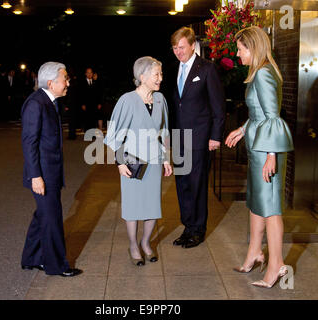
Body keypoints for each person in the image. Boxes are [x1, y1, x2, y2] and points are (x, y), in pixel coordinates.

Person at [225, 26, 294, 288]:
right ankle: (255, 253)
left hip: (267, 151)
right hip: (259, 149)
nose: (238, 53)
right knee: (256, 203)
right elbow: (260, 114)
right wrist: (242, 130)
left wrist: (272, 156)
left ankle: (276, 264)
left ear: (253, 47)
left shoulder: (264, 73)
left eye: (241, 48)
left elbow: (273, 119)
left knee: (271, 210)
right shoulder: (259, 72)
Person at [104, 56, 172, 266]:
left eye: (161, 73)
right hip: (132, 163)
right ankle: (133, 245)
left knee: (152, 206)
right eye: (156, 74)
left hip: (153, 162)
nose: (160, 78)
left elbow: (165, 131)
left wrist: (167, 158)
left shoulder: (160, 99)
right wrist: (120, 163)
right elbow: (114, 135)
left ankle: (145, 243)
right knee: (133, 207)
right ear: (142, 77)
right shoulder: (127, 100)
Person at [21, 61, 82, 277]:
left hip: (51, 173)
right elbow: (29, 143)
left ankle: (30, 258)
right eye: (64, 79)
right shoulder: (35, 104)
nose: (68, 82)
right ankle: (57, 266)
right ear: (50, 83)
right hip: (42, 174)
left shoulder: (51, 102)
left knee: (43, 216)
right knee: (52, 219)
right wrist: (36, 176)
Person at [169, 27, 225, 248]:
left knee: (197, 184)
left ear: (193, 45)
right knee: (182, 184)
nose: (178, 51)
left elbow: (218, 106)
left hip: (201, 139)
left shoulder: (208, 69)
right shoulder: (174, 69)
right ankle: (188, 227)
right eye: (174, 48)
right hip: (179, 138)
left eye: (181, 47)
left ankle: (198, 230)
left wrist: (215, 136)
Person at [80, 67, 102, 132]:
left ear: (92, 74)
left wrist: (99, 103)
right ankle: (88, 134)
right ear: (85, 74)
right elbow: (81, 94)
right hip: (86, 104)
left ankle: (93, 134)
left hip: (94, 104)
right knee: (87, 119)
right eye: (88, 73)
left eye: (91, 73)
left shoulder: (95, 82)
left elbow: (99, 93)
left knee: (94, 119)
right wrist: (82, 104)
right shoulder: (82, 82)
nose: (89, 74)